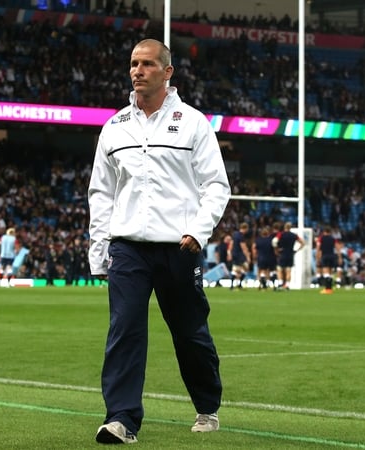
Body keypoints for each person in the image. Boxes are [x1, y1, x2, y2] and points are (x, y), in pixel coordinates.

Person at [88, 38, 230, 445]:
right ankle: (121, 419)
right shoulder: (114, 126)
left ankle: (207, 405)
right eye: (133, 63)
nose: (137, 70)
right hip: (127, 247)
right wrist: (100, 251)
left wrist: (198, 232)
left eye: (147, 64)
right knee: (125, 329)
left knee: (189, 332)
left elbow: (216, 187)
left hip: (180, 247)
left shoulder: (193, 123)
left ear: (167, 72)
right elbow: (101, 192)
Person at [274, 222, 304, 290]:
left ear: (284, 227)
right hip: (290, 254)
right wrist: (296, 250)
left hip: (282, 253)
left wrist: (276, 250)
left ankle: (280, 283)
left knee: (279, 269)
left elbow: (274, 241)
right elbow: (303, 243)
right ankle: (287, 285)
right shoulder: (294, 235)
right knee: (288, 270)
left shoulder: (280, 234)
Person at [316, 226, 340, 294]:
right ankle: (330, 288)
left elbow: (318, 249)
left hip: (325, 256)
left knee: (326, 272)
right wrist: (339, 257)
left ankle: (327, 289)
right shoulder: (333, 239)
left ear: (324, 232)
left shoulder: (321, 239)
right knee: (330, 272)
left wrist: (317, 258)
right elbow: (337, 248)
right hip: (332, 256)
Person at [253, 225, 278, 290]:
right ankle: (274, 285)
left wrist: (254, 256)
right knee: (272, 271)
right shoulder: (271, 240)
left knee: (262, 271)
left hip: (261, 258)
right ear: (268, 233)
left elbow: (254, 249)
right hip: (271, 258)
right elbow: (275, 249)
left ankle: (262, 284)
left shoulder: (258, 240)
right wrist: (277, 254)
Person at [229, 222, 251, 290]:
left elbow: (231, 244)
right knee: (245, 268)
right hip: (240, 255)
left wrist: (229, 253)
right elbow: (243, 247)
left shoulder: (235, 234)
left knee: (235, 269)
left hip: (234, 254)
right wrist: (248, 257)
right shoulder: (241, 236)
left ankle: (232, 285)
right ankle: (239, 284)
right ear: (245, 228)